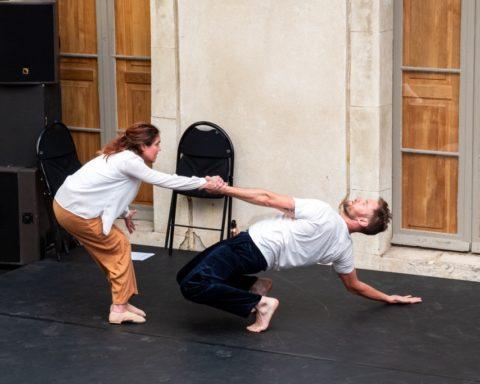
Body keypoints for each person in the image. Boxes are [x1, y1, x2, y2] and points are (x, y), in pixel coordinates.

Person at [177, 185, 422, 333]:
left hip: (249, 248)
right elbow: (354, 286)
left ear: (363, 221)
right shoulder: (343, 248)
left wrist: (223, 189)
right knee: (183, 275)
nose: (359, 198)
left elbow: (266, 198)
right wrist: (388, 297)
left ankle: (259, 303)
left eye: (365, 203)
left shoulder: (323, 212)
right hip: (255, 256)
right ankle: (253, 286)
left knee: (192, 285)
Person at [53, 122, 225, 325]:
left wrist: (124, 211)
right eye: (157, 144)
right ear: (143, 146)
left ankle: (122, 302)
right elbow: (165, 180)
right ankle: (118, 309)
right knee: (119, 248)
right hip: (75, 212)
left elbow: (108, 188)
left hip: (66, 206)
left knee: (115, 250)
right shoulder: (129, 161)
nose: (160, 148)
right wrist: (203, 183)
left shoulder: (123, 156)